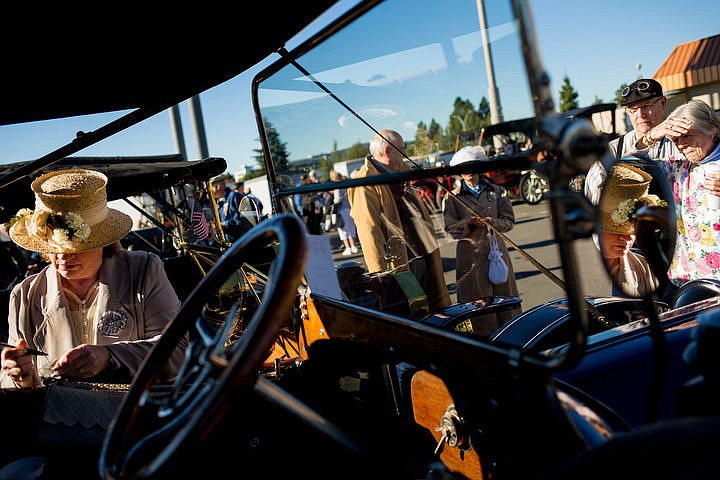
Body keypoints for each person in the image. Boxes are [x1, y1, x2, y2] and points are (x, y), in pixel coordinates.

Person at [1, 169, 187, 389]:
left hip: (133, 413)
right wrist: (19, 376)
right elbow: (10, 384)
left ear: (102, 241)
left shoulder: (144, 271)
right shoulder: (24, 296)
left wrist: (109, 358)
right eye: (53, 247)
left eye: (75, 247)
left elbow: (178, 351)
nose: (62, 256)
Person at [348, 129, 450, 312]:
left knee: (431, 311)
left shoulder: (400, 172)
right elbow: (369, 232)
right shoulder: (365, 183)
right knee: (412, 316)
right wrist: (382, 279)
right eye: (402, 150)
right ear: (388, 151)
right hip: (399, 269)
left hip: (420, 256)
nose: (405, 155)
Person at [443, 145, 521, 331]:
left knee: (505, 298)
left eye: (472, 166)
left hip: (497, 253)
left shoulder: (498, 190)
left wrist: (492, 221)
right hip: (470, 257)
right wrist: (468, 223)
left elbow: (509, 221)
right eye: (463, 168)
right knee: (477, 301)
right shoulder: (451, 198)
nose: (468, 171)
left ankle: (511, 333)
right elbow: (450, 228)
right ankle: (483, 339)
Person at [584, 79, 683, 205]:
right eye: (633, 110)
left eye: (646, 106)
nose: (640, 115)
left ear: (663, 103)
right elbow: (593, 197)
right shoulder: (613, 151)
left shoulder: (681, 143)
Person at [657, 99, 720, 284]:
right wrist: (655, 133)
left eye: (687, 135)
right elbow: (627, 166)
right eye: (675, 139)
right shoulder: (678, 168)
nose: (680, 145)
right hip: (688, 280)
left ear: (713, 130)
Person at [597, 163, 665, 298]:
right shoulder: (576, 269)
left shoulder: (647, 267)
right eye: (617, 231)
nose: (627, 238)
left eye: (634, 232)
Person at [329, 170, 359, 256]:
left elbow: (337, 200)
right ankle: (354, 246)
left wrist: (333, 199)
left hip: (341, 210)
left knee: (343, 230)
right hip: (349, 208)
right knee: (351, 229)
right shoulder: (346, 184)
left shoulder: (337, 186)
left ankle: (348, 248)